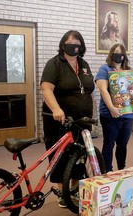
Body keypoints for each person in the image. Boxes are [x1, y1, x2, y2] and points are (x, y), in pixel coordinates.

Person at [40, 30, 94, 207]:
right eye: (69, 41)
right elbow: (46, 89)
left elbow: (88, 90)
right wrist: (56, 109)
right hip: (59, 119)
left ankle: (74, 189)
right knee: (61, 155)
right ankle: (61, 192)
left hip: (82, 119)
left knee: (79, 154)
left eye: (77, 42)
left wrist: (91, 113)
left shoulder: (84, 64)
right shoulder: (54, 63)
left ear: (81, 46)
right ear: (63, 44)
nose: (73, 45)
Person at [95, 43, 133, 172]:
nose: (119, 54)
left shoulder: (129, 71)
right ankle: (107, 171)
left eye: (121, 52)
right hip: (110, 114)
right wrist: (111, 108)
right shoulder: (105, 69)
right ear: (111, 53)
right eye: (116, 51)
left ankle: (122, 169)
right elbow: (103, 90)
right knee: (109, 144)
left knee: (123, 144)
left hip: (128, 115)